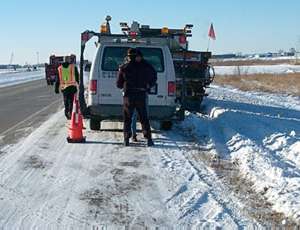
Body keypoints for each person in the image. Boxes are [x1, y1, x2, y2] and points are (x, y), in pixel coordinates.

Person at [117, 48, 157, 146]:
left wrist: (124, 84)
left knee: (127, 118)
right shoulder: (146, 66)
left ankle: (126, 139)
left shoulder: (124, 68)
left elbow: (118, 84)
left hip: (128, 96)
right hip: (141, 94)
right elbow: (154, 76)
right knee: (144, 118)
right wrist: (149, 85)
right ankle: (149, 139)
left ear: (129, 57)